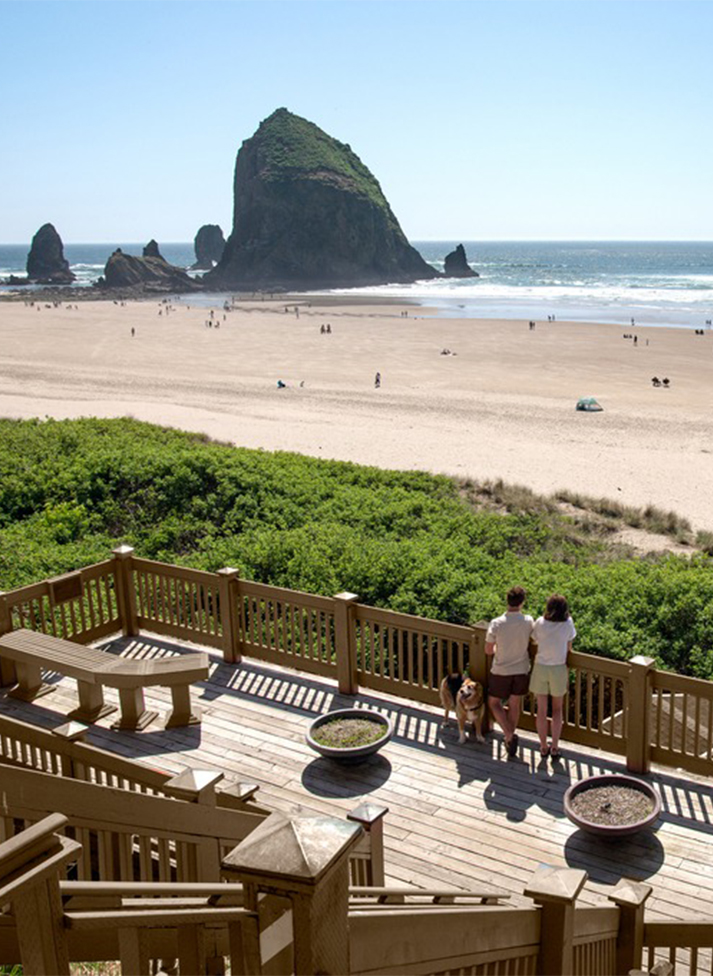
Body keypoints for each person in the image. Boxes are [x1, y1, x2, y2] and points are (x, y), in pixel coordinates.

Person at [485, 586, 534, 757]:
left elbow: (488, 650)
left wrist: (499, 646)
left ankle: (509, 735)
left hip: (501, 669)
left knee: (494, 703)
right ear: (522, 602)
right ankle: (509, 739)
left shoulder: (496, 623)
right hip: (521, 669)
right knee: (514, 704)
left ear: (507, 601)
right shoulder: (528, 621)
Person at [530, 594, 576, 759]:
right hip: (558, 668)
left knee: (541, 710)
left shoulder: (540, 622)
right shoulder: (568, 623)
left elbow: (534, 641)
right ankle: (555, 746)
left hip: (541, 666)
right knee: (557, 709)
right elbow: (570, 646)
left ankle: (543, 746)